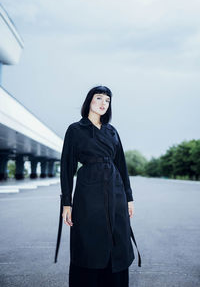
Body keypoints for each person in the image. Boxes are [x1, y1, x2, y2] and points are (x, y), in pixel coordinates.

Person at [55, 85, 141, 287]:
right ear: (89, 101)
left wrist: (129, 197)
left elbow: (121, 165)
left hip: (116, 191)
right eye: (99, 98)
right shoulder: (75, 130)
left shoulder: (112, 131)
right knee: (88, 240)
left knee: (118, 239)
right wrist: (67, 203)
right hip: (88, 194)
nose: (104, 103)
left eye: (107, 100)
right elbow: (67, 166)